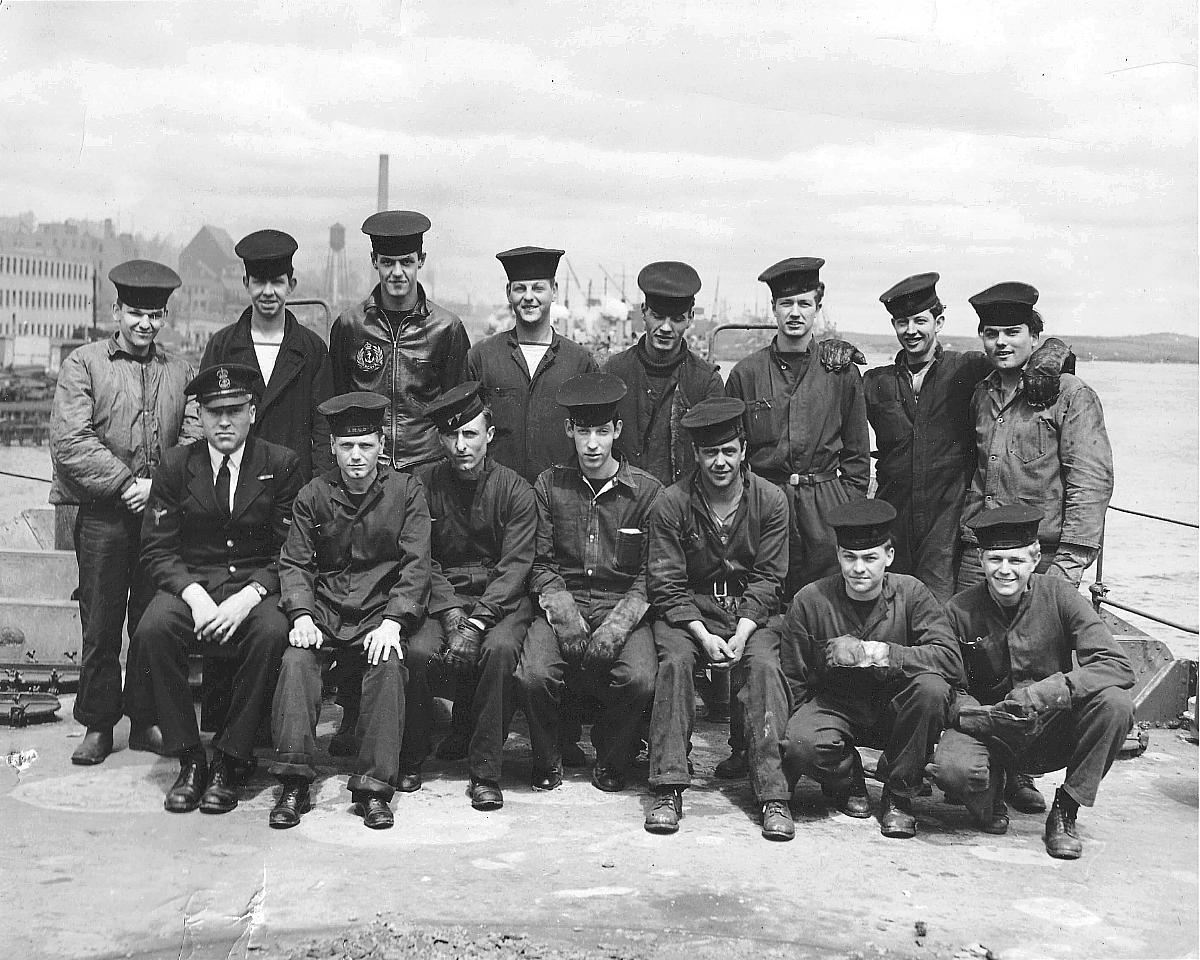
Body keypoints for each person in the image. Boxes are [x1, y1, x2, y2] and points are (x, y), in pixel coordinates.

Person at [718, 256, 870, 779]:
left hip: (824, 511)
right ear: (774, 309)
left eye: (805, 303)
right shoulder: (745, 373)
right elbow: (731, 449)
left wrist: (842, 510)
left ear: (818, 307)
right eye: (786, 304)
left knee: (819, 620)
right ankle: (746, 742)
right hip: (763, 507)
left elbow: (857, 456)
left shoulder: (839, 371)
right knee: (754, 614)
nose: (796, 314)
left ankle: (820, 738)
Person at [50, 259, 200, 765]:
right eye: (136, 312)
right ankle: (97, 722)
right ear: (116, 310)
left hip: (159, 519)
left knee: (150, 622)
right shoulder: (83, 364)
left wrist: (156, 485)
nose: (145, 324)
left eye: (155, 315)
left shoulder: (181, 371)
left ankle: (145, 718)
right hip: (102, 518)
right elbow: (70, 441)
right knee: (100, 620)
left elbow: (195, 435)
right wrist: (124, 484)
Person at [137, 364, 303, 814]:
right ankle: (190, 758)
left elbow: (289, 551)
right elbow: (157, 549)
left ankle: (232, 758)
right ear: (200, 415)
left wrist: (249, 596)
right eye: (214, 412)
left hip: (255, 587)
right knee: (153, 628)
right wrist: (193, 596)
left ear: (252, 411)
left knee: (270, 633)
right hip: (192, 584)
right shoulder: (175, 465)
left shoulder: (280, 464)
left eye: (234, 410)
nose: (224, 421)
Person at [744, 499, 963, 840]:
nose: (859, 568)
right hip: (836, 706)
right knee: (802, 742)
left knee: (932, 689)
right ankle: (849, 779)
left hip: (896, 708)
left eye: (870, 558)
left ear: (888, 557)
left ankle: (899, 796)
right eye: (850, 557)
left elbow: (950, 659)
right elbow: (795, 680)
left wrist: (882, 653)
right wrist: (802, 748)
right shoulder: (811, 600)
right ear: (838, 556)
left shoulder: (912, 594)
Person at [930, 506, 1134, 859]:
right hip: (989, 727)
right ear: (981, 559)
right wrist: (984, 714)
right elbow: (947, 685)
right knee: (953, 773)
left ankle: (1065, 811)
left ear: (1036, 556)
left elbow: (1116, 666)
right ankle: (994, 791)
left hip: (1050, 726)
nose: (1005, 570)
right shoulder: (958, 610)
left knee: (1115, 705)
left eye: (1017, 560)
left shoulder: (1060, 596)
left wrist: (1044, 694)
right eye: (995, 560)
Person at [268, 392, 432, 830]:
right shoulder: (313, 495)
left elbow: (417, 563)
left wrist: (395, 621)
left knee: (388, 664)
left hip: (378, 612)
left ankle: (374, 789)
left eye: (365, 445)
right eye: (346, 446)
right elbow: (296, 561)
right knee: (296, 661)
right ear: (333, 449)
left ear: (381, 444)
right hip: (325, 610)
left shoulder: (406, 491)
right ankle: (294, 783)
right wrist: (301, 614)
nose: (356, 456)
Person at [864, 273, 1075, 602]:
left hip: (946, 527)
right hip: (895, 521)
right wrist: (838, 351)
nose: (911, 330)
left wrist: (1054, 354)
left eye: (920, 320)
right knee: (892, 608)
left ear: (939, 322)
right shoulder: (876, 382)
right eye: (901, 322)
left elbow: (1018, 355)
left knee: (942, 614)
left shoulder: (969, 369)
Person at [644, 398, 788, 834]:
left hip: (750, 611)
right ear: (697, 455)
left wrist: (744, 630)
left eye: (729, 451)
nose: (720, 462)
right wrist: (702, 635)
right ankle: (668, 785)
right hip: (692, 611)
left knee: (763, 665)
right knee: (676, 662)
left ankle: (773, 795)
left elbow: (769, 578)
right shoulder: (672, 502)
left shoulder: (770, 500)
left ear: (743, 449)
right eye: (710, 453)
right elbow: (666, 582)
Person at [517, 373, 662, 794]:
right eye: (584, 432)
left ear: (617, 430)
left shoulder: (648, 493)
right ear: (570, 431)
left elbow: (651, 575)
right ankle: (547, 759)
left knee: (639, 679)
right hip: (565, 600)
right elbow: (540, 562)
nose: (593, 443)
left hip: (623, 607)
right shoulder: (549, 485)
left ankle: (613, 759)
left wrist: (618, 627)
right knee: (533, 675)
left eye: (602, 431)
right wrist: (565, 616)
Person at [407, 382, 537, 810]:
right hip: (440, 598)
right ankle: (411, 756)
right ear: (440, 439)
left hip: (500, 603)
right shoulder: (422, 484)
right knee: (418, 650)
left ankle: (485, 772)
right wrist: (449, 616)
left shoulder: (515, 489)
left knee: (498, 652)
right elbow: (422, 558)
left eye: (470, 434)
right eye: (451, 436)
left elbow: (515, 566)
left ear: (489, 435)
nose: (461, 446)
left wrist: (477, 621)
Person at [956, 282, 1113, 591]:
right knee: (967, 635)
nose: (1000, 342)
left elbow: (1090, 483)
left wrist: (1067, 567)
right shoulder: (982, 394)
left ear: (1035, 338)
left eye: (1012, 332)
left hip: (1039, 556)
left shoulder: (1070, 395)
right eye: (991, 333)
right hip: (978, 553)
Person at [323, 210, 470, 472]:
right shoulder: (350, 325)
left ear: (420, 260)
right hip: (368, 467)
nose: (397, 272)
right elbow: (336, 399)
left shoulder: (446, 328)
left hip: (427, 466)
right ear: (374, 260)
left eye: (406, 262)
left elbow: (457, 408)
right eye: (388, 262)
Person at [200, 229, 333, 483]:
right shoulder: (221, 346)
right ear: (246, 284)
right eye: (259, 281)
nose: (268, 291)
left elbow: (324, 430)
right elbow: (206, 422)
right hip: (236, 492)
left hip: (295, 489)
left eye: (277, 282)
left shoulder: (312, 350)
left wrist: (317, 494)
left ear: (291, 285)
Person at [467, 246, 598, 486]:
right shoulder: (483, 357)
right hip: (496, 496)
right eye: (520, 288)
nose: (529, 297)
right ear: (509, 292)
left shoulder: (580, 361)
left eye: (538, 288)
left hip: (562, 494)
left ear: (554, 291)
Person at [602, 261, 724, 486]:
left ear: (690, 318)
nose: (666, 328)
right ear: (644, 313)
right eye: (658, 316)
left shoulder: (706, 382)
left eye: (677, 319)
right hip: (621, 504)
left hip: (681, 507)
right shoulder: (613, 372)